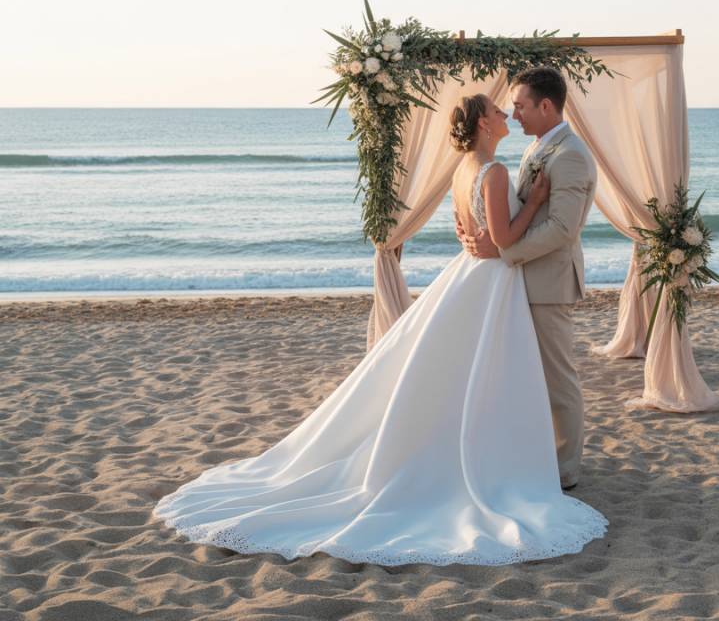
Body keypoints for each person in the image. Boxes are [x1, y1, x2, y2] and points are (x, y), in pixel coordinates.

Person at [154, 92, 607, 566]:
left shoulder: (465, 168)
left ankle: (499, 451)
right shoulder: (492, 171)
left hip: (479, 275)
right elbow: (503, 237)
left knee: (471, 373)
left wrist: (489, 231)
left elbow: (472, 226)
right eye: (498, 111)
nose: (507, 114)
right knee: (486, 372)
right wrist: (534, 202)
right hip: (492, 278)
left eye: (513, 107)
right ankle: (500, 457)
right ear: (481, 125)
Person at [458, 66, 597, 490]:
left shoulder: (570, 155)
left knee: (557, 379)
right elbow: (515, 210)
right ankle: (537, 458)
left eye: (520, 106)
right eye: (510, 108)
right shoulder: (536, 149)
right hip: (520, 280)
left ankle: (566, 469)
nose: (514, 114)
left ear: (546, 106)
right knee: (526, 378)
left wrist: (503, 250)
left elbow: (562, 229)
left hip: (548, 282)